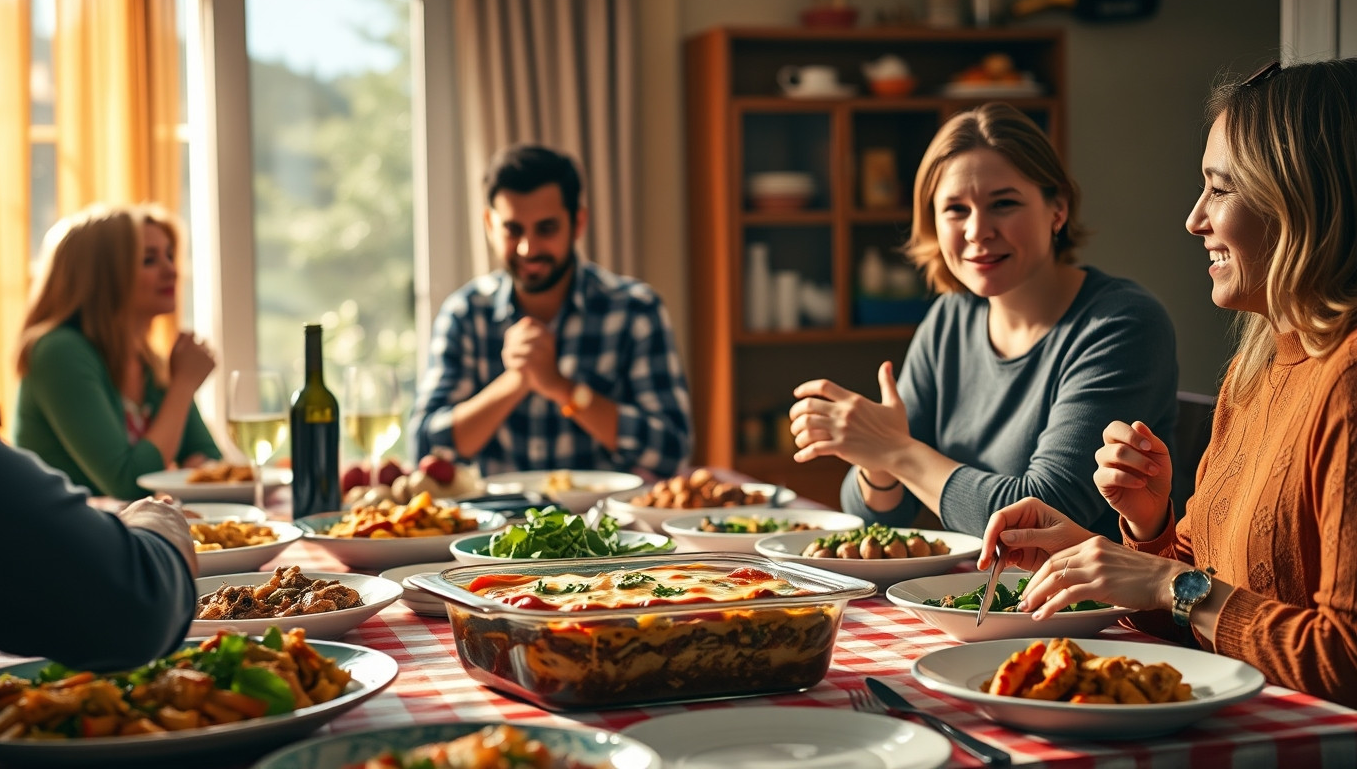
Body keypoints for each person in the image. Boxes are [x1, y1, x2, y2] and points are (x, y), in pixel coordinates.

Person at [981, 59, 1357, 706]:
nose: (1194, 219)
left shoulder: (1346, 382)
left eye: (1221, 189)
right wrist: (1134, 538)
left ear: (1304, 199)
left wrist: (1162, 581)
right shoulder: (1256, 367)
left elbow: (1344, 659)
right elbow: (1197, 601)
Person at [0, 0, 197, 768]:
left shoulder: (145, 357)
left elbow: (208, 464)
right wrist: (162, 529)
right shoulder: (56, 354)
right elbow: (123, 601)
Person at [788, 103, 1179, 542]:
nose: (977, 230)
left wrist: (895, 450)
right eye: (955, 209)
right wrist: (879, 463)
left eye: (1004, 203)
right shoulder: (949, 319)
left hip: (1092, 606)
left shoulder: (1121, 323)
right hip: (973, 597)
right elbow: (878, 519)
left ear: (1058, 210)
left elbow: (1043, 517)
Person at [411, 144, 692, 476]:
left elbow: (673, 452)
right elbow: (425, 451)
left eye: (546, 229)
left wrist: (561, 388)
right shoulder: (464, 313)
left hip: (604, 524)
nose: (529, 248)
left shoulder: (636, 310)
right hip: (494, 525)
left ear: (578, 223)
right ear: (489, 225)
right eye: (513, 230)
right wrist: (517, 380)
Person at [15, 203, 221, 499]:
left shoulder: (151, 362)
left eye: (170, 256)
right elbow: (129, 483)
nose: (172, 271)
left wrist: (189, 471)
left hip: (119, 534)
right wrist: (184, 384)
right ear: (100, 276)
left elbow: (210, 463)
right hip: (63, 540)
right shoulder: (59, 352)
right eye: (149, 260)